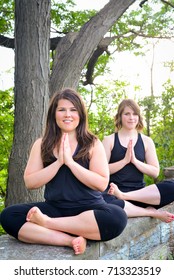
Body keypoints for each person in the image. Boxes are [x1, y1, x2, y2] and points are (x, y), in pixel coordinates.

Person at [0, 88, 127, 255]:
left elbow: (101, 183)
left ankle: (47, 224)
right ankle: (69, 240)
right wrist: (59, 162)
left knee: (117, 218)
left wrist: (71, 162)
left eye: (73, 110)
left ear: (80, 114)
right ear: (54, 114)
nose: (68, 114)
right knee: (9, 215)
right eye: (62, 110)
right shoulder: (41, 144)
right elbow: (30, 182)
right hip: (55, 207)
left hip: (88, 209)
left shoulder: (92, 143)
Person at [102, 98, 174, 223]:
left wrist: (135, 161)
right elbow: (100, 171)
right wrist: (124, 161)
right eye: (127, 114)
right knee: (104, 205)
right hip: (114, 196)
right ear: (120, 116)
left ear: (139, 117)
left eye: (135, 114)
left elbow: (155, 172)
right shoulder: (109, 140)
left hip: (141, 195)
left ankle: (125, 196)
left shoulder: (146, 141)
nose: (131, 118)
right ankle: (149, 211)